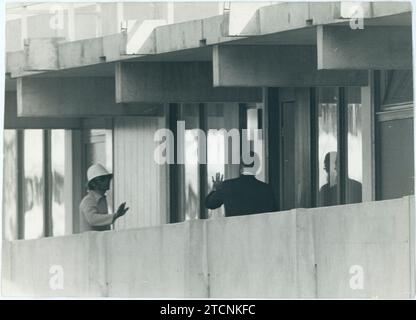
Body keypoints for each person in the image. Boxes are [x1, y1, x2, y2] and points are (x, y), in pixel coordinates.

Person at [205, 152, 277, 217]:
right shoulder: (266, 189)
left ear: (241, 166)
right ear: (257, 167)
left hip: (235, 231)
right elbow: (273, 215)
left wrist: (215, 189)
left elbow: (209, 204)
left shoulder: (228, 186)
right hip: (258, 231)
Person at [79, 163, 129, 232]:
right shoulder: (88, 201)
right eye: (102, 179)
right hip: (90, 242)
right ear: (93, 183)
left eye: (108, 178)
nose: (107, 181)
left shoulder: (102, 199)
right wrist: (115, 215)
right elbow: (92, 219)